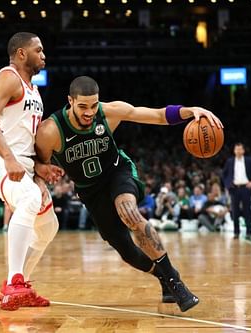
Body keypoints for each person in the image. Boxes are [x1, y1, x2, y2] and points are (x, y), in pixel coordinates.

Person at [35, 76, 223, 312]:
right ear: (70, 101)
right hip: (90, 192)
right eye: (82, 106)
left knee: (129, 212)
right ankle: (163, 278)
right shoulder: (50, 131)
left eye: (94, 105)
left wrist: (191, 110)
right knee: (127, 252)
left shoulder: (108, 113)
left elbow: (156, 115)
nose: (89, 112)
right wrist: (40, 169)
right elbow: (36, 163)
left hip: (117, 172)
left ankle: (176, 282)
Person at [0, 32, 63, 311]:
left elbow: (22, 140)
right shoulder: (8, 77)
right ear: (22, 53)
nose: (44, 55)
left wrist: (39, 167)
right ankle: (14, 283)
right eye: (39, 49)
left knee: (48, 228)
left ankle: (20, 282)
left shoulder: (34, 91)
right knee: (28, 199)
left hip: (20, 164)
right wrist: (8, 157)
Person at [222, 143, 251, 239]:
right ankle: (236, 232)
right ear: (234, 151)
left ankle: (249, 232)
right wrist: (228, 184)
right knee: (235, 211)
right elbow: (224, 174)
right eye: (236, 149)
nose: (238, 151)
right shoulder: (230, 161)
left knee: (247, 210)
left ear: (243, 151)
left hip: (246, 188)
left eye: (240, 149)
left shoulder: (249, 160)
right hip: (234, 188)